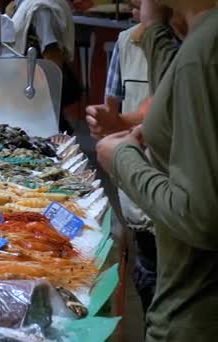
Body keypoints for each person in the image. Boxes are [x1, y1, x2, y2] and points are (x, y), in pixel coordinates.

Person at [96, 0, 218, 339]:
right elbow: (178, 91)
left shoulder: (205, 49)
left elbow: (199, 216)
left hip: (194, 316)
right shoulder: (201, 40)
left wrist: (121, 159)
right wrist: (155, 27)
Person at [85, 0, 185, 315]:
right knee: (148, 279)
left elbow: (169, 108)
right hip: (139, 204)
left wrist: (123, 146)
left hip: (176, 211)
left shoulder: (194, 51)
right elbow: (136, 108)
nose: (134, 8)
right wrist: (114, 123)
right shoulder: (128, 42)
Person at [5, 0, 81, 134]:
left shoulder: (41, 8)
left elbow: (51, 52)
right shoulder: (27, 4)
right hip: (31, 82)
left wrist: (49, 94)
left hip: (37, 84)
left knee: (48, 132)